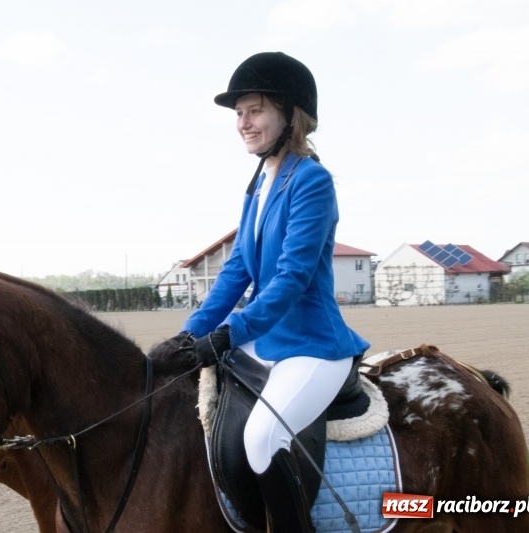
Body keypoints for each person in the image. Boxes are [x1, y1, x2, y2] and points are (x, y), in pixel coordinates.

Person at [180, 52, 370, 532]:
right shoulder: (257, 186)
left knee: (262, 436)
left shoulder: (312, 181)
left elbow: (292, 278)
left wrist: (229, 332)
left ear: (290, 115)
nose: (244, 123)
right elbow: (237, 270)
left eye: (255, 110)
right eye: (239, 113)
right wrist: (189, 335)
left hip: (312, 344)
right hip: (264, 339)